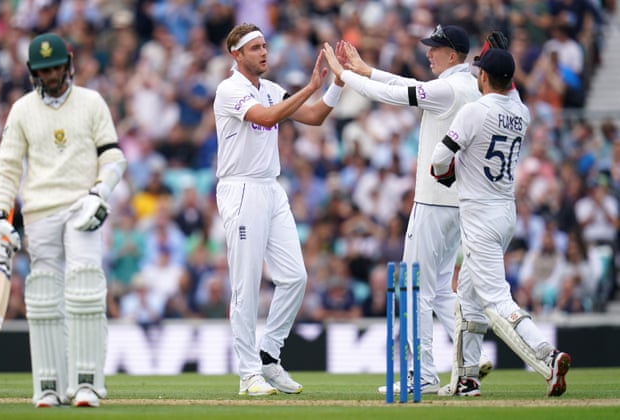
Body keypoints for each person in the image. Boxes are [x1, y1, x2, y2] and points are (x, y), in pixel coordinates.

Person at [322, 25, 491, 395]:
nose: (428, 54)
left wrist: (346, 75)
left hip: (432, 202)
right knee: (443, 291)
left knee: (414, 291)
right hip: (456, 204)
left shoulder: (448, 89)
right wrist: (367, 71)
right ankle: (470, 362)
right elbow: (406, 84)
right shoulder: (467, 86)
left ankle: (423, 374)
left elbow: (395, 95)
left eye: (435, 49)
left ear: (452, 54)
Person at [0, 33, 126, 408]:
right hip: (40, 211)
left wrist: (100, 193)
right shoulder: (22, 110)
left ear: (70, 63)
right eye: (44, 70)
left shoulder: (92, 102)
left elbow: (114, 157)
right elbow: (9, 168)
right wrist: (0, 215)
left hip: (81, 206)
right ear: (33, 72)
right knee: (45, 296)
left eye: (57, 67)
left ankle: (87, 384)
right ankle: (48, 385)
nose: (51, 75)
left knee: (85, 291)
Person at [430, 48, 571, 397]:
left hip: (479, 214)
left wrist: (446, 175)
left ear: (481, 77)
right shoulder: (521, 112)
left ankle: (547, 356)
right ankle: (465, 378)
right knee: (467, 299)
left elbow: (438, 159)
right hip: (506, 213)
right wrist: (498, 55)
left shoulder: (474, 111)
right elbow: (510, 88)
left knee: (494, 300)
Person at [213, 23, 344, 396]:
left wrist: (339, 82)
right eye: (255, 48)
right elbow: (268, 118)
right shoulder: (229, 89)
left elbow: (315, 116)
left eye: (265, 46)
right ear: (237, 55)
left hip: (271, 188)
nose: (264, 53)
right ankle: (248, 374)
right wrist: (308, 87)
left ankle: (269, 356)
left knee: (295, 277)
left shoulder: (270, 89)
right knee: (246, 284)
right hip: (240, 188)